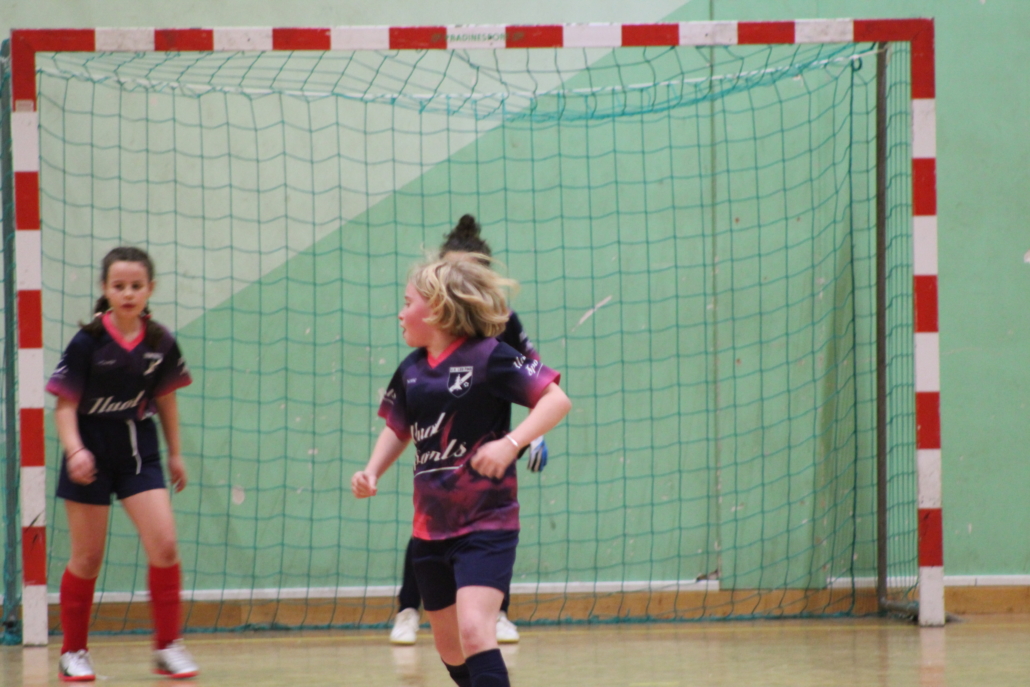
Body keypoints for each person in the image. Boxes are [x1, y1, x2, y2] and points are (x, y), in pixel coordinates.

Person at [352, 252, 571, 687]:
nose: (400, 313)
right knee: (450, 648)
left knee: (475, 630)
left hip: (486, 526)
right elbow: (398, 429)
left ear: (436, 309)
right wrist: (372, 470)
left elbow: (556, 400)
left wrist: (510, 444)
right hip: (430, 532)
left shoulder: (490, 357)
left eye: (407, 303)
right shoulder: (410, 371)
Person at [389, 215, 548, 646]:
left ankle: (498, 614)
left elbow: (538, 383)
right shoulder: (423, 341)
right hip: (439, 451)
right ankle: (408, 609)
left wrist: (529, 435)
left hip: (488, 444)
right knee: (432, 522)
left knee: (489, 528)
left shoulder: (503, 322)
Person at [46, 246, 199, 681]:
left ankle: (167, 647)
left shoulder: (160, 342)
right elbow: (64, 406)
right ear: (105, 290)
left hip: (138, 452)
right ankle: (74, 652)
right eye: (119, 286)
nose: (128, 293)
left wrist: (175, 453)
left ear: (150, 289)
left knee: (165, 546)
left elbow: (166, 399)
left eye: (136, 285)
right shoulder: (87, 342)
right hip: (89, 454)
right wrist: (75, 450)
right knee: (88, 557)